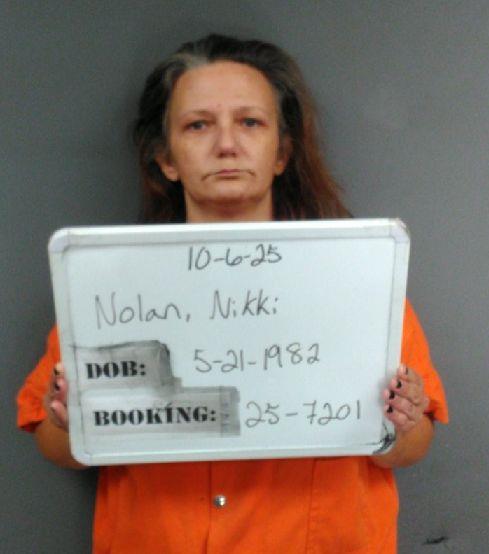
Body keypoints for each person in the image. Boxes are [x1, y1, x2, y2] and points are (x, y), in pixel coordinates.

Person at [17, 34, 448, 553]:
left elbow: (411, 446)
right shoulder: (105, 289)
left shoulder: (360, 279)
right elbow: (57, 446)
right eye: (198, 125)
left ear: (281, 153)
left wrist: (403, 420)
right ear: (166, 158)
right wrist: (71, 422)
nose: (226, 144)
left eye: (250, 122)